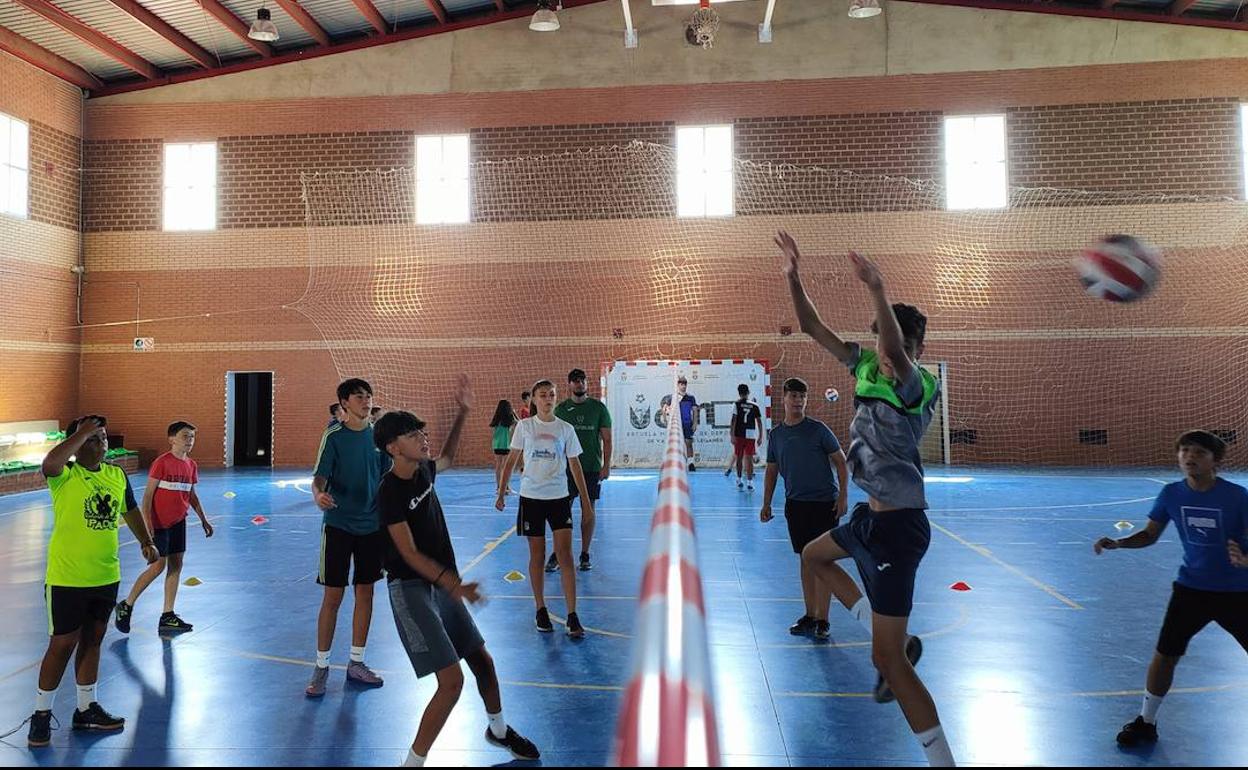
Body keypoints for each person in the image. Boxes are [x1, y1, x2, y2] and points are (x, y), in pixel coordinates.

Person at [777, 230, 953, 766]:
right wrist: (793, 276)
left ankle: (942, 759)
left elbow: (896, 351)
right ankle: (893, 638)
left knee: (888, 662)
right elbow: (812, 328)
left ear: (916, 349)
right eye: (881, 342)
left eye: (899, 346)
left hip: (899, 529)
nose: (887, 352)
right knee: (813, 556)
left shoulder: (916, 386)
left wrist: (877, 287)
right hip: (868, 521)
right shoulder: (865, 366)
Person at [374, 377, 540, 767]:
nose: (422, 438)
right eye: (413, 434)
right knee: (451, 682)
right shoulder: (389, 492)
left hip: (443, 586)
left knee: (483, 662)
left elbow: (447, 456)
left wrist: (464, 412)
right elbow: (408, 553)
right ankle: (412, 764)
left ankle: (498, 730)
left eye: (422, 432)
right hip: (412, 589)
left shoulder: (423, 471)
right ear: (392, 447)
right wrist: (454, 585)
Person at [1094, 430, 1248, 747]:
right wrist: (1119, 543)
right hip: (1191, 590)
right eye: (1185, 450)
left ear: (1216, 461)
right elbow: (1149, 535)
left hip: (1238, 592)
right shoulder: (1171, 494)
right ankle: (1146, 722)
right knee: (1165, 656)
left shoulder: (1237, 497)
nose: (1190, 457)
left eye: (1200, 452)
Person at [25, 415, 158, 748]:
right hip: (67, 578)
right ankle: (41, 715)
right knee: (62, 645)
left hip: (105, 575)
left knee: (93, 640)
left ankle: (86, 709)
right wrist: (81, 431)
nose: (101, 444)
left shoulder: (116, 475)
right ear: (76, 445)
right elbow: (49, 463)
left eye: (103, 438)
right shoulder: (65, 475)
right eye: (91, 439)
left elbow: (129, 510)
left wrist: (145, 541)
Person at [306, 378, 390, 697]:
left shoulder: (380, 438)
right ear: (344, 403)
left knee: (365, 593)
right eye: (359, 397)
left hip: (371, 527)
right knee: (333, 596)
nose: (366, 401)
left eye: (368, 396)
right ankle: (321, 666)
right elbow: (319, 478)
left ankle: (356, 662)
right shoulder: (334, 436)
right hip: (338, 525)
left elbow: (388, 477)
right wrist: (318, 495)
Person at [495, 379, 594, 638]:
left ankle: (572, 615)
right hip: (531, 499)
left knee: (565, 556)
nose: (548, 399)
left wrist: (585, 502)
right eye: (542, 395)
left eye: (551, 395)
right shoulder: (525, 427)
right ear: (534, 399)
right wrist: (502, 491)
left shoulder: (565, 429)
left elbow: (575, 465)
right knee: (537, 556)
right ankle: (540, 609)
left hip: (559, 497)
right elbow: (512, 460)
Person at [759, 378, 848, 640]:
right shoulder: (776, 435)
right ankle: (810, 615)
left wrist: (843, 497)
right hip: (796, 505)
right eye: (794, 396)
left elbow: (841, 462)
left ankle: (823, 619)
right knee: (806, 559)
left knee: (823, 560)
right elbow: (772, 470)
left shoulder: (818, 430)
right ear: (784, 399)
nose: (798, 401)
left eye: (802, 396)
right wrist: (766, 503)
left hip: (824, 505)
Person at [114, 421, 213, 635]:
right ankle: (127, 604)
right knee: (158, 566)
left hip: (179, 522)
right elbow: (147, 497)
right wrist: (148, 525)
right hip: (159, 523)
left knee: (176, 566)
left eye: (192, 437)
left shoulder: (191, 465)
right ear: (172, 439)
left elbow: (192, 496)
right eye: (185, 436)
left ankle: (168, 615)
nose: (190, 440)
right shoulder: (162, 463)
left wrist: (203, 519)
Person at [549, 368, 612, 572]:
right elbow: (553, 441)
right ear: (569, 385)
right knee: (561, 512)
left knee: (588, 509)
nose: (579, 383)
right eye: (575, 381)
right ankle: (558, 553)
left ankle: (585, 553)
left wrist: (606, 465)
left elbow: (607, 439)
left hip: (590, 468)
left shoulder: (598, 408)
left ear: (586, 384)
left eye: (582, 380)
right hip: (565, 470)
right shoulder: (560, 410)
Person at [729, 383, 765, 491]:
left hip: (739, 434)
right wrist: (760, 436)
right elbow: (759, 422)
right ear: (748, 392)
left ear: (739, 393)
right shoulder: (754, 405)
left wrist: (732, 435)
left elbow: (733, 421)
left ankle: (739, 479)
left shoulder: (736, 404)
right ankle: (750, 482)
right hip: (750, 434)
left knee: (739, 458)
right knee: (749, 459)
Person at [489, 400, 518, 496]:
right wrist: (514, 413)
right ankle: (506, 487)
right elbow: (519, 423)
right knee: (505, 467)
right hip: (506, 444)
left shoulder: (496, 419)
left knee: (498, 466)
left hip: (497, 445)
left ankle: (498, 487)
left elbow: (493, 432)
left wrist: (493, 443)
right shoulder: (509, 419)